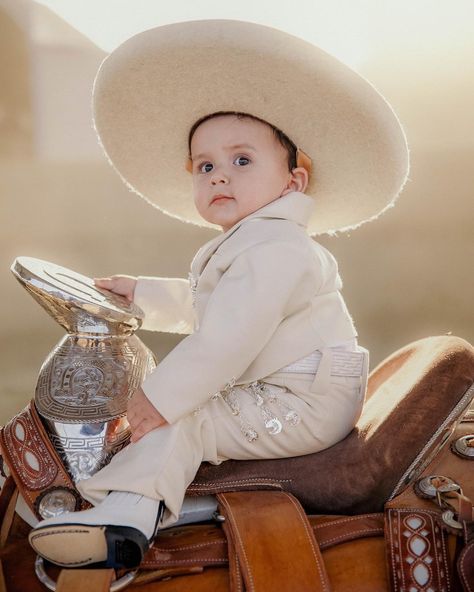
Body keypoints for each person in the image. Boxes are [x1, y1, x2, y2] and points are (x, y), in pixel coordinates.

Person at [28, 20, 409, 569]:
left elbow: (229, 339)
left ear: (293, 182)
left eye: (242, 160)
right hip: (293, 387)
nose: (219, 177)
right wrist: (142, 294)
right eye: (205, 166)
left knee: (187, 418)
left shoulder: (276, 247)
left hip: (304, 402)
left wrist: (157, 399)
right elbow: (212, 306)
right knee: (188, 409)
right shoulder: (257, 241)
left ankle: (123, 521)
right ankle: (171, 504)